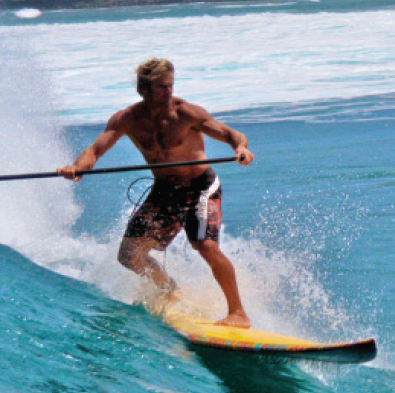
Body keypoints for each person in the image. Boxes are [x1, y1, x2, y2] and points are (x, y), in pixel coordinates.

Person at [57, 58, 254, 328]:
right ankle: (170, 290)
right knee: (129, 255)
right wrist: (77, 167)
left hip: (199, 187)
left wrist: (240, 149)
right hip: (164, 191)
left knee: (205, 245)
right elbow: (94, 151)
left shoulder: (185, 113)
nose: (169, 92)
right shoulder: (126, 119)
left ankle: (238, 313)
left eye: (171, 86)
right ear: (144, 89)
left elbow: (230, 134)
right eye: (162, 87)